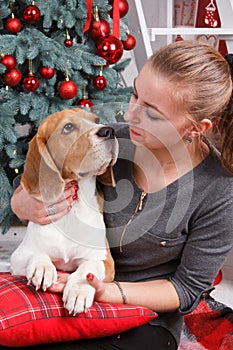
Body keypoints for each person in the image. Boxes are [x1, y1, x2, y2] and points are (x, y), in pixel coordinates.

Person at [11, 40, 233, 350]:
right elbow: (46, 168)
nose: (131, 115)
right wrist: (21, 201)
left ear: (195, 128)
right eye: (136, 95)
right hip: (65, 290)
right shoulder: (111, 140)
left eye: (153, 115)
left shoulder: (220, 192)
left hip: (146, 316)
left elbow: (185, 290)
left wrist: (104, 290)